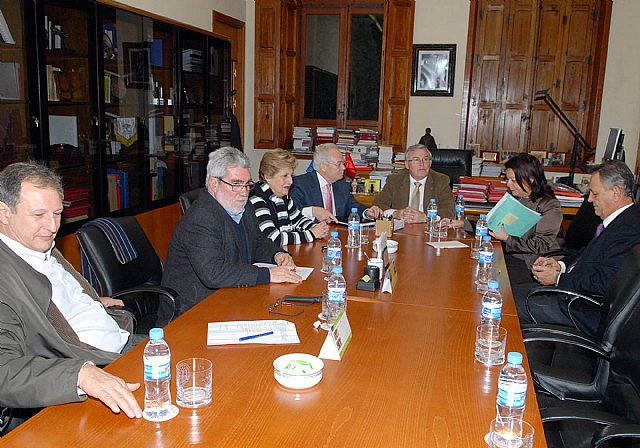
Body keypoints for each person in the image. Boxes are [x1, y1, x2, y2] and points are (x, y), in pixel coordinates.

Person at [0, 162, 141, 424]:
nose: (52, 226)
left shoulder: (37, 245)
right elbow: (4, 372)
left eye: (56, 214)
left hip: (124, 346)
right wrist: (81, 375)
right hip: (96, 370)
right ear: (3, 213)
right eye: (39, 214)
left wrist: (94, 302)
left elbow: (50, 303)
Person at [160, 147, 301, 323]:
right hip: (193, 311)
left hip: (231, 297)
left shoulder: (244, 206)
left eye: (247, 184)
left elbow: (257, 241)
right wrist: (268, 274)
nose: (244, 192)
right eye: (236, 184)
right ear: (214, 184)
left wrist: (277, 254)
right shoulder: (201, 217)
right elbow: (214, 272)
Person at [516, 160, 640, 336]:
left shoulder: (629, 230)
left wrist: (558, 279)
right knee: (507, 292)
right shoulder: (619, 221)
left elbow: (604, 284)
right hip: (572, 293)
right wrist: (560, 265)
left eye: (595, 194)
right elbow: (586, 254)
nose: (589, 200)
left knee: (508, 305)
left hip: (581, 309)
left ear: (616, 192)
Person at [489, 153, 562, 280]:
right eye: (507, 179)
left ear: (531, 179)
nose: (508, 185)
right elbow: (495, 223)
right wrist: (464, 224)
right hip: (513, 254)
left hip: (533, 263)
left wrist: (507, 238)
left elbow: (541, 245)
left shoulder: (549, 205)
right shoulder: (515, 197)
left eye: (513, 180)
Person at [250, 149, 329, 246]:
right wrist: (312, 234)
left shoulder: (283, 197)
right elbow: (274, 238)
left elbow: (299, 220)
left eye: (291, 175)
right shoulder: (257, 199)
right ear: (267, 177)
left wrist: (317, 227)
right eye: (285, 176)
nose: (291, 181)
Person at [290, 143, 383, 222]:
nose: (343, 168)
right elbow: (292, 212)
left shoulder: (342, 185)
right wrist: (312, 211)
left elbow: (353, 207)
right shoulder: (300, 184)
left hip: (337, 236)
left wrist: (367, 212)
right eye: (338, 164)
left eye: (343, 164)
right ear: (323, 166)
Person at [372, 144, 455, 223]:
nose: (421, 164)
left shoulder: (441, 180)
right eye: (416, 160)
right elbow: (378, 205)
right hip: (401, 230)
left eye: (425, 159)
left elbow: (450, 211)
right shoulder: (394, 180)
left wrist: (426, 218)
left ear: (430, 163)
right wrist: (396, 213)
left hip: (428, 229)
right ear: (407, 164)